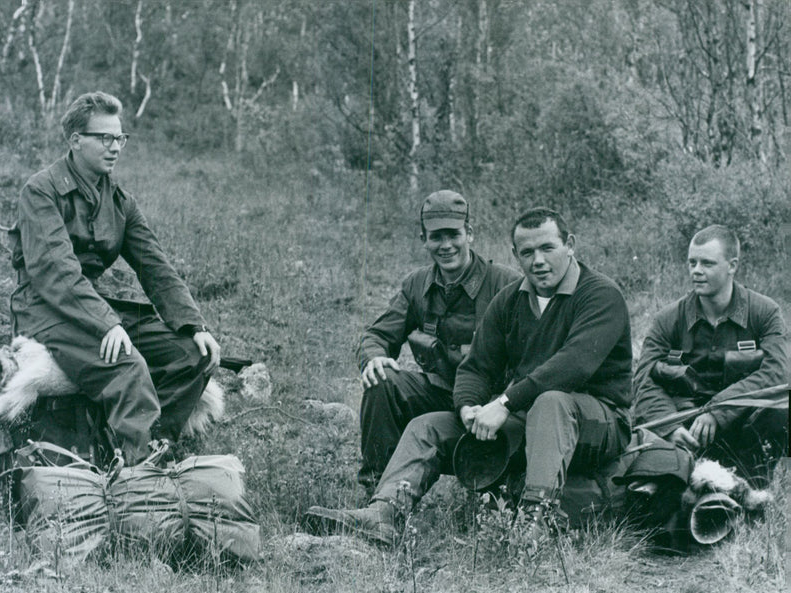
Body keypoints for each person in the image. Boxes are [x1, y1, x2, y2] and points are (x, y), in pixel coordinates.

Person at [306, 208, 633, 550]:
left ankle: (534, 523)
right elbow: (476, 367)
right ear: (515, 255)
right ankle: (385, 512)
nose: (538, 261)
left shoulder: (600, 294)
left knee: (551, 402)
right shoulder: (510, 300)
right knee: (427, 425)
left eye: (547, 248)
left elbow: (572, 366)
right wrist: (468, 408)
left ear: (570, 245)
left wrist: (504, 403)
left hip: (599, 423)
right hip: (532, 419)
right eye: (527, 252)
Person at [8, 91, 221, 465]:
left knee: (192, 356)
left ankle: (150, 445)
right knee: (127, 366)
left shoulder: (119, 200)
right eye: (104, 138)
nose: (115, 147)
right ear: (76, 140)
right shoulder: (40, 191)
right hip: (45, 309)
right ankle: (140, 477)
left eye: (120, 138)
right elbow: (56, 272)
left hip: (90, 304)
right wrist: (106, 323)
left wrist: (193, 324)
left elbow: (155, 267)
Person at [356, 190, 520, 489]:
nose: (446, 246)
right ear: (423, 239)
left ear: (469, 233)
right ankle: (378, 491)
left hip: (495, 404)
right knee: (382, 381)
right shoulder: (417, 284)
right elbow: (377, 335)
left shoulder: (506, 284)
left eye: (453, 235)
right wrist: (374, 356)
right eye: (436, 237)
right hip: (443, 393)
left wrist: (503, 402)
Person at [634, 225, 788, 485]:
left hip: (744, 424)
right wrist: (668, 427)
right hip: (686, 427)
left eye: (707, 263)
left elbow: (778, 373)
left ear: (732, 265)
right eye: (692, 262)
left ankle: (754, 484)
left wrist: (718, 410)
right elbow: (643, 380)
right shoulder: (667, 320)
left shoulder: (765, 312)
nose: (696, 270)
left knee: (780, 410)